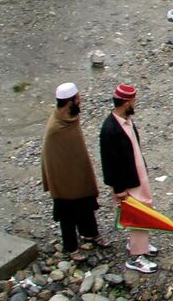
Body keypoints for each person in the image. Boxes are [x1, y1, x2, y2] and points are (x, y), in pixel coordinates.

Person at [98, 85, 158, 274]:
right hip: (128, 181)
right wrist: (118, 189)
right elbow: (109, 162)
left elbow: (135, 147)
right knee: (138, 215)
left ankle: (140, 244)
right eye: (133, 102)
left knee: (144, 211)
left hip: (137, 176)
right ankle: (136, 257)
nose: (134, 104)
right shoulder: (110, 129)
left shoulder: (126, 121)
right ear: (126, 104)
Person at [42, 83, 106, 261]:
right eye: (77, 98)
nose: (80, 100)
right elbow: (52, 158)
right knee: (67, 214)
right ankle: (71, 247)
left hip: (79, 173)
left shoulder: (71, 118)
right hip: (64, 180)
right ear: (70, 103)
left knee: (86, 203)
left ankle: (90, 234)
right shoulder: (56, 128)